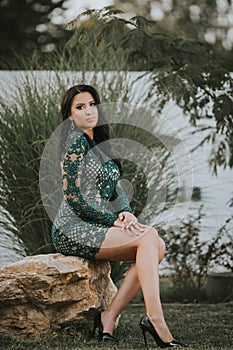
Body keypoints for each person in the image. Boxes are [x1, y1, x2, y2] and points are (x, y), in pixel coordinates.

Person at [51, 84, 186, 348]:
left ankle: (109, 316)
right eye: (80, 107)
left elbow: (116, 187)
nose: (89, 111)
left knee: (157, 245)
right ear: (69, 116)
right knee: (150, 238)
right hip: (72, 227)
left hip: (94, 225)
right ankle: (156, 320)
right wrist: (112, 220)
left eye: (92, 104)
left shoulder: (99, 144)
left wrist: (125, 212)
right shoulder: (75, 143)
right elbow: (74, 199)